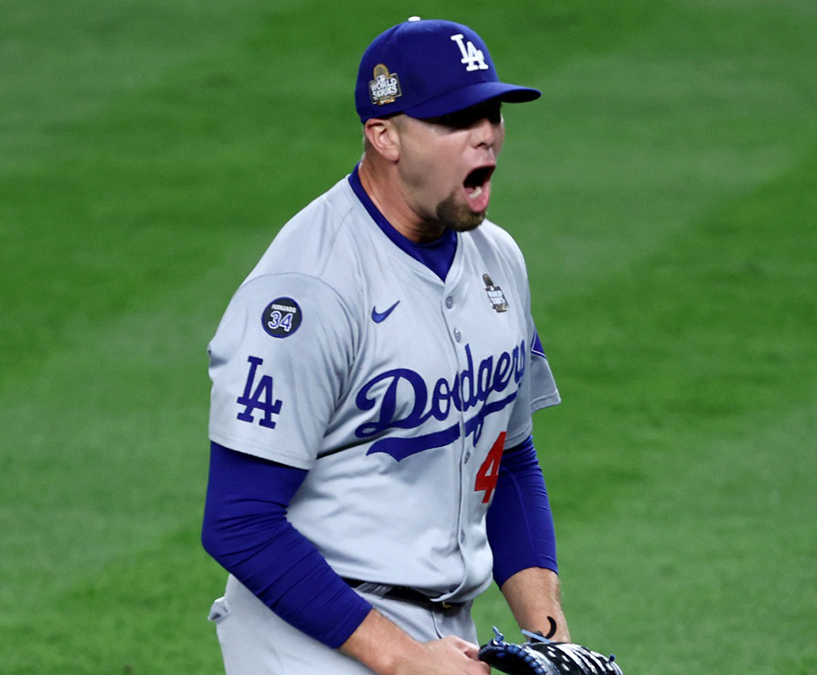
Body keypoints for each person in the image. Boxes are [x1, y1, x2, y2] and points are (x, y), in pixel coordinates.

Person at [201, 17, 569, 675]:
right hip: (308, 636)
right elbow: (239, 520)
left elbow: (509, 459)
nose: (485, 133)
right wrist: (400, 657)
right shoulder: (310, 287)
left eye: (491, 112)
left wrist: (550, 634)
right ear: (384, 136)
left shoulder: (499, 261)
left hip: (444, 635)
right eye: (456, 119)